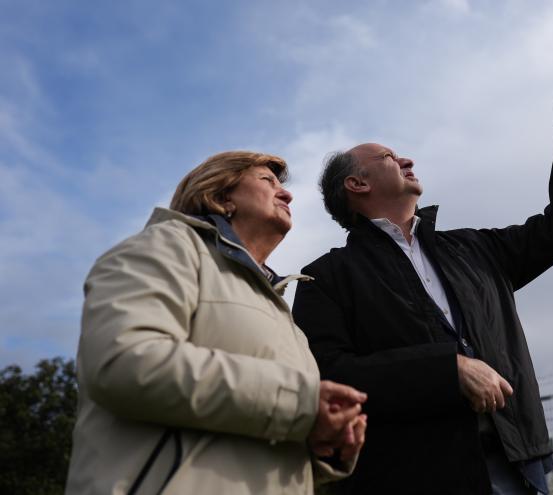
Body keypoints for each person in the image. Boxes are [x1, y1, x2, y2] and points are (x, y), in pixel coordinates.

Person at [291, 60, 553, 494]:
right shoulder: (324, 278)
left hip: (519, 463)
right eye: (387, 156)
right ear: (357, 184)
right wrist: (447, 371)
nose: (405, 158)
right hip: (413, 473)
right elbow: (331, 372)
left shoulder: (474, 249)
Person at [66, 151, 368, 495]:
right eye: (267, 182)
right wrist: (300, 405)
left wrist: (325, 445)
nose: (287, 194)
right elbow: (123, 362)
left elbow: (265, 432)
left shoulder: (284, 314)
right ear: (221, 196)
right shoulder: (165, 246)